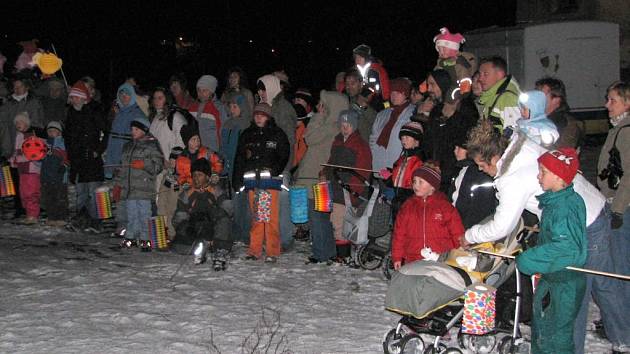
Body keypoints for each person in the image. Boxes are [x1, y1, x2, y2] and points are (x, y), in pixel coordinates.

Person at [462, 120, 630, 354]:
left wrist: (471, 235)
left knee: (573, 296)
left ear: (493, 158)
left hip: (581, 226)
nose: (480, 169)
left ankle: (573, 349)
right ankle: (624, 338)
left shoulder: (513, 178)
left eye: (481, 164)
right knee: (605, 285)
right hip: (594, 209)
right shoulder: (522, 147)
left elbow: (501, 225)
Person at [516, 148, 587, 354]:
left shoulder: (563, 207)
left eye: (543, 172)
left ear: (558, 176)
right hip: (555, 279)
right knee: (545, 332)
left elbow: (568, 248)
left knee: (555, 339)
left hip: (564, 283)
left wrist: (529, 259)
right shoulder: (559, 201)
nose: (538, 176)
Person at [295, 91, 349, 262]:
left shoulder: (331, 126)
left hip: (317, 179)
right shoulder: (333, 126)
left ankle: (321, 253)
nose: (320, 107)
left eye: (324, 104)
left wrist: (318, 116)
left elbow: (309, 137)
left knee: (318, 217)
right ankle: (325, 251)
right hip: (316, 177)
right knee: (321, 217)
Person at [597, 81, 630, 354]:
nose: (607, 105)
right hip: (618, 205)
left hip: (623, 208)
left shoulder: (626, 131)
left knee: (620, 270)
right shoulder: (618, 129)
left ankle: (626, 332)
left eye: (612, 100)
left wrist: (617, 208)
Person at [233, 103, 290, 263]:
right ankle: (255, 250)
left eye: (262, 114)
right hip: (252, 182)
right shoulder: (247, 134)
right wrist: (236, 180)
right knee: (257, 217)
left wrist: (275, 170)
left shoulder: (277, 133)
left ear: (269, 116)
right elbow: (239, 158)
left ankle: (272, 250)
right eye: (256, 114)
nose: (259, 117)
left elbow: (284, 154)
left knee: (270, 217)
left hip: (269, 182)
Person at [391, 165, 464, 270]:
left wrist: (459, 253)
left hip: (440, 258)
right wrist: (397, 257)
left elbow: (457, 232)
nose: (416, 185)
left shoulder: (444, 206)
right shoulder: (408, 206)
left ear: (432, 186)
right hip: (413, 258)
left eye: (421, 182)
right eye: (414, 181)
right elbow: (399, 234)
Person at [320, 109, 372, 245]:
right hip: (334, 188)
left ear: (354, 126)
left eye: (347, 125)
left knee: (339, 223)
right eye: (342, 124)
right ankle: (336, 250)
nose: (344, 128)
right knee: (334, 220)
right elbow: (331, 161)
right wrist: (324, 172)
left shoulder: (360, 145)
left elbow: (362, 171)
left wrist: (352, 192)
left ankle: (342, 254)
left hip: (347, 191)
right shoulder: (337, 141)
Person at [422, 69, 479, 190]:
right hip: (436, 172)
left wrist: (453, 116)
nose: (429, 89)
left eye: (433, 84)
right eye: (428, 84)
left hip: (454, 174)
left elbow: (469, 135)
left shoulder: (465, 106)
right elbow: (428, 140)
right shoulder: (437, 110)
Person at [172, 158, 232, 270]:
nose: (196, 178)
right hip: (196, 228)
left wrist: (212, 214)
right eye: (194, 175)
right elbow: (179, 217)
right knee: (179, 246)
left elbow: (228, 209)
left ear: (207, 177)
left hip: (212, 226)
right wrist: (186, 226)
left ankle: (219, 250)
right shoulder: (186, 193)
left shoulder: (216, 190)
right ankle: (203, 246)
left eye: (200, 175)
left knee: (223, 220)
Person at [64, 80, 108, 232]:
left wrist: (98, 150)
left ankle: (96, 221)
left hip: (92, 157)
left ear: (83, 97)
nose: (74, 100)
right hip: (78, 158)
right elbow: (68, 136)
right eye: (73, 97)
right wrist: (70, 154)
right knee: (81, 191)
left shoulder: (93, 111)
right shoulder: (71, 113)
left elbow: (104, 133)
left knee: (94, 191)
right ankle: (81, 219)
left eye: (77, 96)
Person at [115, 116, 163, 251]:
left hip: (144, 188)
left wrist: (144, 164)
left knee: (144, 214)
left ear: (144, 130)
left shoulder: (152, 145)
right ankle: (130, 236)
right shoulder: (128, 146)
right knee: (131, 214)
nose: (133, 132)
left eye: (136, 129)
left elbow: (158, 166)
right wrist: (119, 184)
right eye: (132, 129)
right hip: (130, 188)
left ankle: (145, 239)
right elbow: (123, 168)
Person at [149, 87, 186, 240]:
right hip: (157, 167)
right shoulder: (155, 119)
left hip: (171, 169)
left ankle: (170, 233)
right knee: (159, 201)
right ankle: (161, 233)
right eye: (155, 98)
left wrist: (172, 160)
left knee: (170, 203)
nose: (157, 101)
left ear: (167, 99)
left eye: (160, 98)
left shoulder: (175, 117)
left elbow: (182, 140)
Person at [449, 125, 497, 229]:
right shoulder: (461, 169)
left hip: (469, 229)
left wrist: (466, 230)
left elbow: (481, 209)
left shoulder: (480, 174)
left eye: (459, 148)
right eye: (455, 148)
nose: (455, 151)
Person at [379, 121, 424, 221]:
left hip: (411, 203)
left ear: (416, 140)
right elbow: (396, 180)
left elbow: (419, 185)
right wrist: (388, 176)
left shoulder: (420, 160)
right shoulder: (402, 159)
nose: (404, 140)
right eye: (402, 138)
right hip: (398, 202)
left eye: (407, 137)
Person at [369, 78, 415, 172]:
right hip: (380, 164)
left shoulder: (413, 114)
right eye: (392, 93)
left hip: (400, 166)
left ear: (405, 94)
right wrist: (375, 154)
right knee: (382, 186)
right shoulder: (382, 114)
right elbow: (373, 137)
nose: (393, 96)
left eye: (398, 93)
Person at [105, 82, 147, 179]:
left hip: (130, 165)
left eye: (127, 94)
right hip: (116, 164)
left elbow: (142, 143)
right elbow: (111, 142)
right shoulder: (118, 116)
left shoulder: (138, 115)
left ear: (132, 95)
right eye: (121, 94)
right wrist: (109, 167)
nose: (123, 96)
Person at [256, 74, 297, 173]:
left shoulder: (283, 108)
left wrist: (281, 165)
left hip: (280, 163)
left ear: (271, 88)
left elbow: (289, 140)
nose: (260, 93)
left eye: (263, 90)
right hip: (265, 162)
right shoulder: (264, 106)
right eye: (259, 90)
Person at [9, 112, 44, 224]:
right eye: (17, 123)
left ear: (27, 123)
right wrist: (12, 160)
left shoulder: (31, 136)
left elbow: (32, 154)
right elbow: (17, 152)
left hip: (32, 169)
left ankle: (33, 214)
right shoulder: (19, 136)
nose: (18, 124)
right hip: (22, 170)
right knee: (23, 192)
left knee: (31, 192)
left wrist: (18, 159)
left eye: (21, 122)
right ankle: (29, 213)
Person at [535, 77, 584, 149]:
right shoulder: (536, 119)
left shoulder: (564, 124)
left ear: (556, 100)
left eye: (541, 96)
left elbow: (558, 153)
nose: (536, 99)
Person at [477, 56, 521, 133]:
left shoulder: (508, 98)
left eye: (485, 74)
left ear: (500, 74)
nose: (480, 79)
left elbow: (514, 135)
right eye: (480, 74)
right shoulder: (492, 97)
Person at [176, 123, 223, 189]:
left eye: (198, 139)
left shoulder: (207, 153)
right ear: (187, 142)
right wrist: (184, 182)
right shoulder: (181, 159)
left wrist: (215, 173)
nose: (197, 142)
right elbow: (180, 175)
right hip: (192, 188)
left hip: (208, 186)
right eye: (193, 140)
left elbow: (218, 162)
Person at [40, 121, 68, 227]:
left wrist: (64, 166)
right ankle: (51, 217)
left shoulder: (63, 143)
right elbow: (40, 159)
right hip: (47, 176)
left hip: (60, 177)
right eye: (49, 131)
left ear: (59, 133)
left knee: (60, 198)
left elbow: (66, 157)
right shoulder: (44, 144)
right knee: (49, 198)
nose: (51, 133)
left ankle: (61, 217)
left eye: (54, 131)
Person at [188, 75, 224, 153]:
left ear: (211, 91)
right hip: (194, 152)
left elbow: (223, 132)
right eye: (198, 90)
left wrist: (220, 153)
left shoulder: (219, 108)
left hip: (212, 153)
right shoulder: (192, 107)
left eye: (204, 90)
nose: (201, 93)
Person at [221, 94, 251, 183]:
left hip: (241, 167)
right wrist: (222, 157)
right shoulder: (227, 124)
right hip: (228, 164)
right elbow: (223, 144)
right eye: (230, 107)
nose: (232, 110)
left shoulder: (247, 125)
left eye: (235, 107)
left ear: (242, 107)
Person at [352, 44, 390, 110]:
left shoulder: (374, 70)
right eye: (356, 57)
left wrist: (387, 106)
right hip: (368, 98)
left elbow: (374, 88)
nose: (357, 60)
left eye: (360, 57)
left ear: (366, 58)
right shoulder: (358, 70)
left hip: (381, 101)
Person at [344, 70, 377, 141]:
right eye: (347, 84)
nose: (349, 87)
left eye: (352, 83)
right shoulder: (345, 100)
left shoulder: (372, 98)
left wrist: (364, 106)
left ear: (361, 84)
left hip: (367, 144)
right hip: (351, 144)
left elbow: (377, 121)